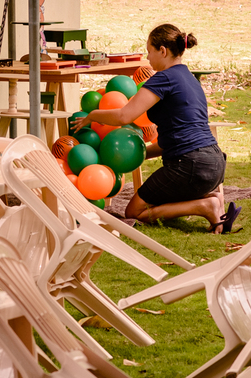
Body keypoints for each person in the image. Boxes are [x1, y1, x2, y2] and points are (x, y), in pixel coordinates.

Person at [74, 23, 239, 234]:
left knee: (133, 211)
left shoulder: (164, 78)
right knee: (158, 198)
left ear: (163, 50)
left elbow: (125, 115)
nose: (148, 58)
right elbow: (180, 135)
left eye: (150, 51)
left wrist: (93, 116)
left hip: (190, 166)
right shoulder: (190, 79)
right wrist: (140, 154)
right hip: (214, 164)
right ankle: (209, 199)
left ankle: (205, 205)